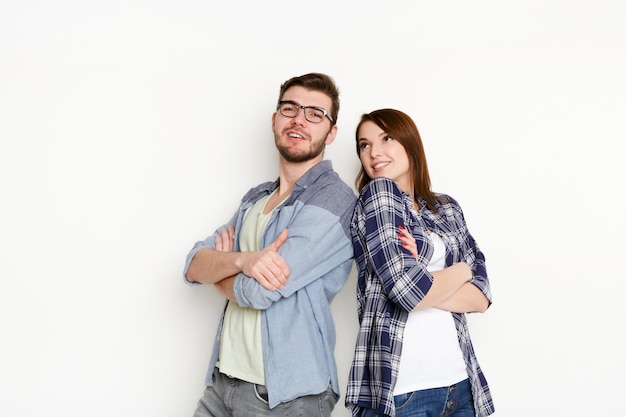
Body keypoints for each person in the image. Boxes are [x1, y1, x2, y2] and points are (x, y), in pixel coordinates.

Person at [183, 73, 356, 417]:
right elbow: (193, 265)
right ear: (274, 120)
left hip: (284, 396)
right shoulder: (257, 197)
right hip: (222, 383)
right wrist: (245, 260)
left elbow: (258, 292)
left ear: (331, 132)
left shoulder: (335, 200)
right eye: (290, 108)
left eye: (314, 114)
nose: (299, 120)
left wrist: (225, 263)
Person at [344, 109, 495, 417]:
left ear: (410, 142)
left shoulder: (446, 208)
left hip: (460, 384)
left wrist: (428, 278)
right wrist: (461, 270)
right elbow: (408, 293)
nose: (374, 152)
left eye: (386, 138)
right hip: (401, 394)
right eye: (364, 144)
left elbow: (480, 298)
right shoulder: (379, 194)